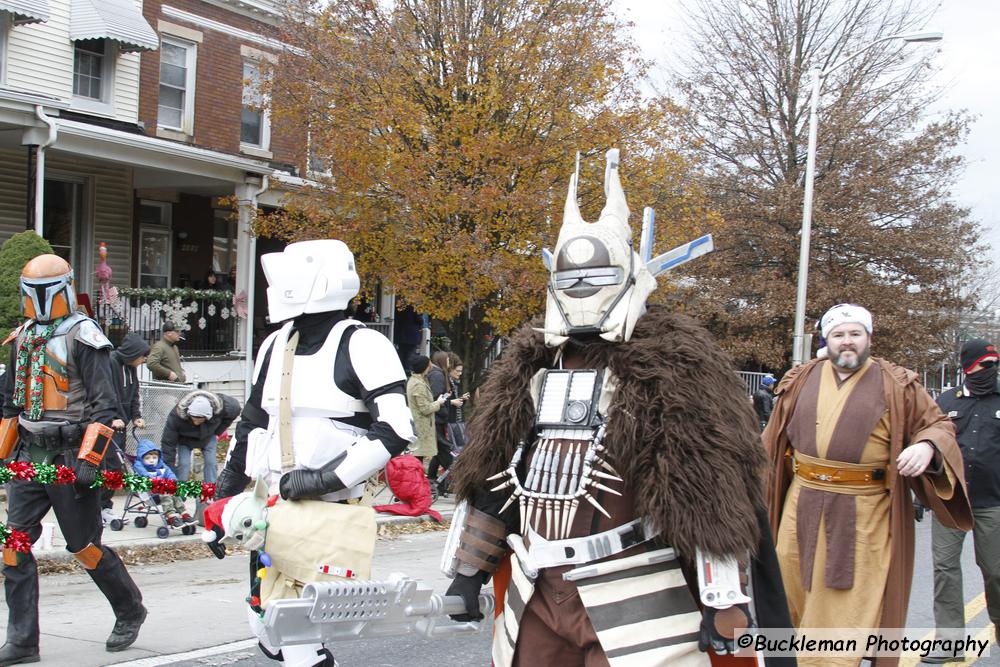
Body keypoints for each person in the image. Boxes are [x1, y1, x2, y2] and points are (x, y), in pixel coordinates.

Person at [444, 150, 792, 666]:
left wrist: (725, 600)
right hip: (537, 589)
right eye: (570, 279)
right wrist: (469, 572)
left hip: (633, 587)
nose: (582, 290)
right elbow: (495, 475)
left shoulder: (674, 369)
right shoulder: (530, 367)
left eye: (595, 277)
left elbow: (709, 488)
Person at [213, 239, 415, 667]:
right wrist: (222, 499)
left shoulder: (364, 344)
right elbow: (253, 421)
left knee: (298, 638)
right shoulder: (274, 345)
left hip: (329, 514)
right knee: (266, 623)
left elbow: (396, 430)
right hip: (272, 511)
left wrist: (319, 479)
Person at [764, 303, 972, 667]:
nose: (847, 342)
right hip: (801, 504)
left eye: (855, 334)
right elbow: (770, 441)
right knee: (792, 588)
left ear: (869, 338)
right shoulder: (800, 379)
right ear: (826, 340)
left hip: (865, 511)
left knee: (850, 597)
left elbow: (938, 425)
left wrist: (926, 447)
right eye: (839, 335)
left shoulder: (897, 383)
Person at [0, 254, 146, 665]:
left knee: (83, 547)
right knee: (13, 545)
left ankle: (129, 608)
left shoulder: (84, 336)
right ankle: (23, 642)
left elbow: (106, 405)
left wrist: (91, 461)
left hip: (70, 453)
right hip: (29, 454)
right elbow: (10, 402)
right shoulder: (23, 337)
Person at [924, 339, 1000, 663]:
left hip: (993, 501)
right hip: (950, 499)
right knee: (945, 570)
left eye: (994, 363)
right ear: (968, 366)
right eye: (984, 364)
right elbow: (928, 445)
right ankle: (950, 642)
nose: (990, 370)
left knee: (996, 571)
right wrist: (920, 494)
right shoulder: (945, 401)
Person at [102, 332, 150, 525]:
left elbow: (134, 392)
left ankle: (105, 506)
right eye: (142, 356)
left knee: (116, 468)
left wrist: (136, 415)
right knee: (108, 466)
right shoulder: (111, 363)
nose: (144, 360)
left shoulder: (131, 368)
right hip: (108, 424)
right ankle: (100, 508)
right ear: (132, 353)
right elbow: (105, 391)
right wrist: (112, 417)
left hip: (122, 425)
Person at [160, 390, 239, 485]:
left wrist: (218, 432)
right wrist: (169, 471)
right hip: (185, 440)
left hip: (208, 437)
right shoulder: (176, 416)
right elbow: (168, 443)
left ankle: (209, 493)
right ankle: (179, 493)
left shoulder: (222, 408)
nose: (196, 422)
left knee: (211, 464)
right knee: (184, 465)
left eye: (200, 419)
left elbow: (234, 411)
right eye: (194, 419)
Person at [132, 439, 189, 526]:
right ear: (142, 458)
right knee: (165, 492)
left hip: (162, 491)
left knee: (174, 492)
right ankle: (171, 516)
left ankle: (184, 513)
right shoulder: (139, 466)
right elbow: (144, 475)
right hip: (149, 494)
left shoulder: (161, 466)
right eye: (147, 458)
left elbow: (169, 474)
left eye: (154, 458)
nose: (151, 460)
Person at [405, 354, 446, 462]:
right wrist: (439, 402)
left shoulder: (416, 380)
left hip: (421, 425)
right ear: (425, 367)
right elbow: (425, 409)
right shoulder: (418, 384)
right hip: (421, 426)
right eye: (429, 364)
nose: (431, 366)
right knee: (418, 457)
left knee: (419, 456)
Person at [426, 351, 456, 492]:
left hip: (436, 419)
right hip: (436, 419)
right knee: (444, 450)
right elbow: (437, 397)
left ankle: (437, 481)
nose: (450, 362)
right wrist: (445, 406)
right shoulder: (438, 375)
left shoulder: (436, 374)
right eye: (448, 360)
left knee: (440, 451)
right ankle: (458, 477)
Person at [445, 352, 469, 453]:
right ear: (450, 369)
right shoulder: (445, 381)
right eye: (457, 371)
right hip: (450, 421)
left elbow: (455, 399)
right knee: (453, 447)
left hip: (457, 419)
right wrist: (452, 402)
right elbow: (440, 400)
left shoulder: (455, 382)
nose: (460, 373)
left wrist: (462, 398)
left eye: (461, 371)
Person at [393, 305, 423, 371]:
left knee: (401, 353)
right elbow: (419, 320)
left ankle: (400, 369)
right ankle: (408, 370)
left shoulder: (399, 307)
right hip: (412, 335)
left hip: (401, 335)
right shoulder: (415, 308)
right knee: (410, 354)